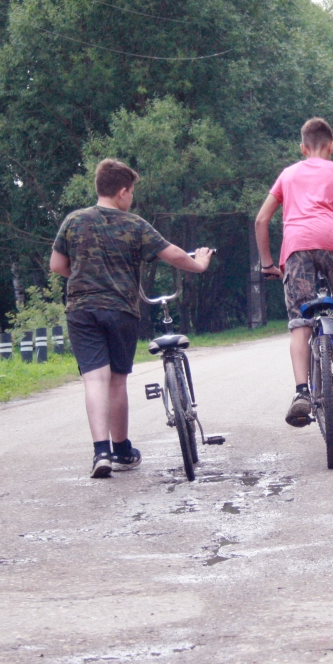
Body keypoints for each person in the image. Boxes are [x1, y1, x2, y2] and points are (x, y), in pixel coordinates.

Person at [50, 159, 214, 478]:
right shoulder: (134, 224)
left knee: (94, 380)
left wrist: (85, 275)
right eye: (132, 192)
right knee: (117, 381)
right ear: (122, 191)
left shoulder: (73, 221)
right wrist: (201, 263)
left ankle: (101, 453)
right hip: (120, 309)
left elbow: (57, 265)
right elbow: (174, 255)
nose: (132, 198)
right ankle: (122, 450)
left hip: (82, 309)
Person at [254, 117, 333, 426]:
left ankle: (301, 392)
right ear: (331, 147)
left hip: (295, 249)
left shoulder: (287, 174)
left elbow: (261, 220)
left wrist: (267, 263)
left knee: (300, 322)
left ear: (303, 148)